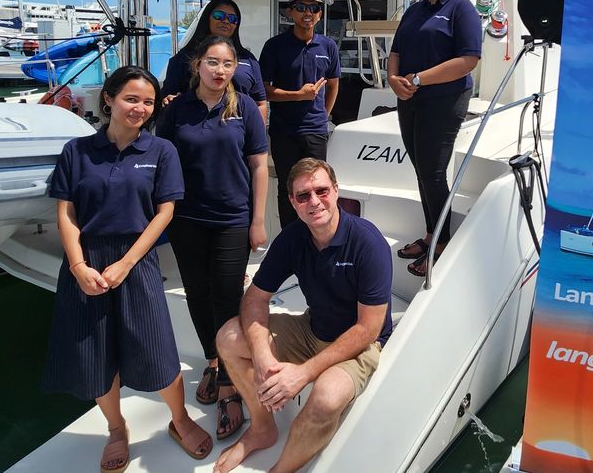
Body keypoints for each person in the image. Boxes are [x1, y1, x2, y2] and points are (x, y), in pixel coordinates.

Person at [43, 66, 213, 471]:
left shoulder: (160, 152)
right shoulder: (77, 151)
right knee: (97, 356)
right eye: (131, 99)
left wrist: (127, 262)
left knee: (156, 348)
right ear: (109, 99)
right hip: (85, 261)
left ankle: (180, 418)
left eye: (148, 102)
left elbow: (165, 211)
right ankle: (116, 429)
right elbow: (65, 212)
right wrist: (79, 265)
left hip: (136, 259)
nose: (140, 108)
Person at [213, 158, 392, 473]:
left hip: (361, 347)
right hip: (313, 330)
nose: (315, 201)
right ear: (293, 203)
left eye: (321, 190)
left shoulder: (367, 242)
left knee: (325, 396)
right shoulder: (294, 238)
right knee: (228, 337)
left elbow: (369, 328)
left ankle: (281, 470)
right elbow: (255, 298)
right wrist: (262, 356)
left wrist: (302, 374)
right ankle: (262, 429)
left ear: (336, 191)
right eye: (304, 196)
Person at [157, 35, 270, 441]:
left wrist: (257, 220)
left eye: (227, 64)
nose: (220, 71)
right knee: (197, 294)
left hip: (231, 220)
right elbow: (160, 159)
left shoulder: (245, 111)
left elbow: (259, 165)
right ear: (197, 66)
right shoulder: (177, 110)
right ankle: (212, 357)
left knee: (226, 297)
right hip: (187, 219)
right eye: (212, 62)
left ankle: (228, 379)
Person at [387, 0, 483, 277]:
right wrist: (392, 78)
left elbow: (468, 60)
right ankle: (431, 233)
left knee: (433, 171)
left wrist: (416, 79)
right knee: (421, 169)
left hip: (445, 99)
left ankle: (441, 244)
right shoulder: (414, 10)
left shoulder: (461, 10)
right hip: (410, 98)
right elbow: (396, 49)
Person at [260, 0, 340, 228]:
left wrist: (322, 117)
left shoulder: (328, 46)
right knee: (289, 188)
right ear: (290, 12)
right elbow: (263, 90)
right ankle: (290, 238)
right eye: (301, 7)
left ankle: (316, 233)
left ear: (320, 14)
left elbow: (333, 85)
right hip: (284, 131)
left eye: (314, 8)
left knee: (317, 186)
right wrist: (298, 95)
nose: (308, 12)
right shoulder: (274, 46)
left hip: (315, 131)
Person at [163, 0, 268, 121]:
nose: (226, 21)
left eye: (232, 19)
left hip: (239, 133)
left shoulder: (248, 59)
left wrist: (258, 136)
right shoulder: (184, 58)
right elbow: (167, 98)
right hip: (194, 127)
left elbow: (260, 103)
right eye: (219, 15)